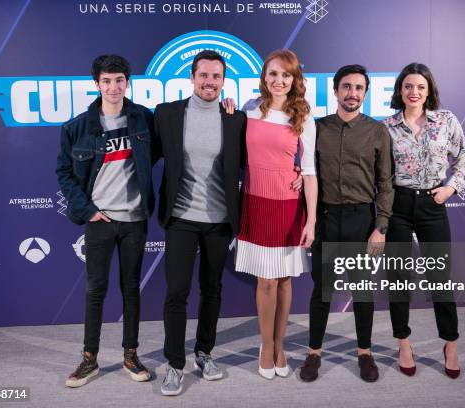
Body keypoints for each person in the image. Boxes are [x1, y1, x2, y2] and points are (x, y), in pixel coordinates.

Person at [56, 55, 154, 387]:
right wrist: (88, 211)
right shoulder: (77, 127)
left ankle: (130, 355)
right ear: (97, 84)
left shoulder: (144, 120)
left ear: (128, 82)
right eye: (107, 81)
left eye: (119, 80)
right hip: (100, 220)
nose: (113, 87)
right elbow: (64, 173)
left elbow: (168, 145)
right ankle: (89, 360)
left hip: (135, 220)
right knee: (95, 290)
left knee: (131, 290)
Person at [152, 50, 247, 396]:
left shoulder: (235, 119)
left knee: (212, 290)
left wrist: (296, 173)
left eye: (216, 77)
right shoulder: (167, 114)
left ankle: (204, 353)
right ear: (192, 78)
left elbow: (256, 161)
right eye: (203, 75)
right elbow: (144, 157)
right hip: (180, 219)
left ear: (224, 81)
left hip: (219, 221)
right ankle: (175, 364)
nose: (210, 82)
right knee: (176, 292)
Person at [299, 64, 394, 383]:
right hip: (326, 218)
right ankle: (314, 353)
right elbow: (305, 174)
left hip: (361, 220)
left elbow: (386, 182)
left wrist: (380, 227)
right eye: (347, 87)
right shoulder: (318, 128)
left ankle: (365, 354)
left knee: (363, 291)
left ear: (365, 93)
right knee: (322, 291)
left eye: (358, 88)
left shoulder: (377, 131)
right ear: (336, 91)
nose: (352, 93)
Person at [382, 62, 465, 379]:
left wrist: (451, 187)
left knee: (439, 278)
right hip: (399, 206)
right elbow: (379, 171)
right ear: (400, 91)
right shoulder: (387, 126)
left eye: (420, 87)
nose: (414, 92)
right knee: (398, 278)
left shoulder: (446, 120)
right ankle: (403, 343)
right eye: (408, 86)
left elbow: (464, 155)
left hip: (434, 204)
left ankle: (450, 343)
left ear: (429, 90)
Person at [235, 49, 318, 380]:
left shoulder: (303, 117)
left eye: (286, 75)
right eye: (273, 74)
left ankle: (280, 345)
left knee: (284, 280)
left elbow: (309, 171)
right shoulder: (248, 110)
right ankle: (265, 347)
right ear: (264, 77)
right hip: (255, 202)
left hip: (287, 205)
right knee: (265, 280)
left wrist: (311, 220)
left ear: (295, 79)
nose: (279, 81)